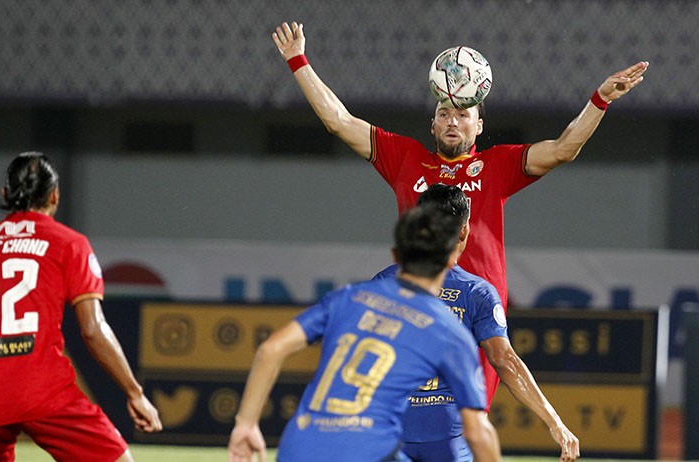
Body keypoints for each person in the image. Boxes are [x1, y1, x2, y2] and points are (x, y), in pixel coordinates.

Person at [271, 20, 649, 406]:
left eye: (463, 113)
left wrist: (600, 100)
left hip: (476, 317)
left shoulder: (498, 166)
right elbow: (339, 121)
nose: (453, 120)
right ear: (432, 125)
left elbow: (564, 148)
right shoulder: (405, 159)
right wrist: (298, 59)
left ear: (479, 125)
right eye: (444, 113)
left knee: (468, 423)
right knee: (409, 423)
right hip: (418, 310)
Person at [0, 152, 162, 461]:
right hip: (44, 392)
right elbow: (93, 329)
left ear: (5, 194)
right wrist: (135, 393)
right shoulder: (69, 243)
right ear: (55, 195)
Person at [228, 205, 501, 462]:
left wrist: (245, 424)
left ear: (395, 255)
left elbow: (270, 350)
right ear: (448, 258)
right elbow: (477, 432)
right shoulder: (448, 330)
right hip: (367, 451)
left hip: (299, 446)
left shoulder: (347, 297)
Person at [374, 183, 579, 462]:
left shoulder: (385, 283)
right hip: (450, 436)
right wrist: (554, 421)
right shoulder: (476, 292)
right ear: (464, 230)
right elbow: (504, 361)